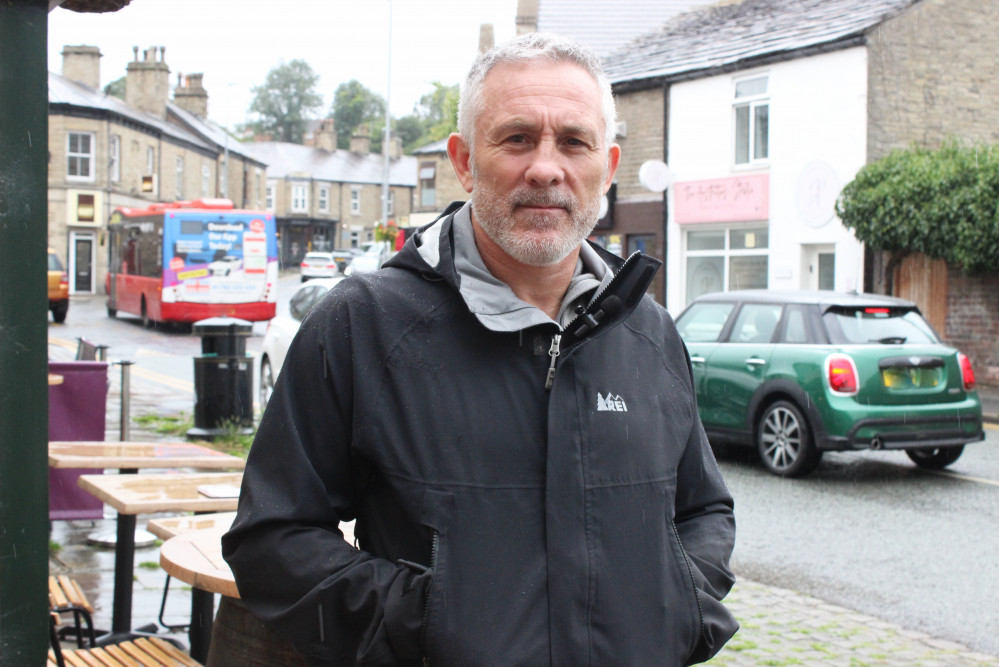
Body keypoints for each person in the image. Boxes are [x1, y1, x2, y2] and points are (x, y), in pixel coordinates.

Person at [223, 32, 738, 666]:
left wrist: (677, 605)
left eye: (573, 142)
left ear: (606, 167)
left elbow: (705, 509)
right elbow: (274, 538)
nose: (546, 168)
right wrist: (430, 623)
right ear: (464, 161)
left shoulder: (649, 333)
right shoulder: (364, 326)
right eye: (517, 138)